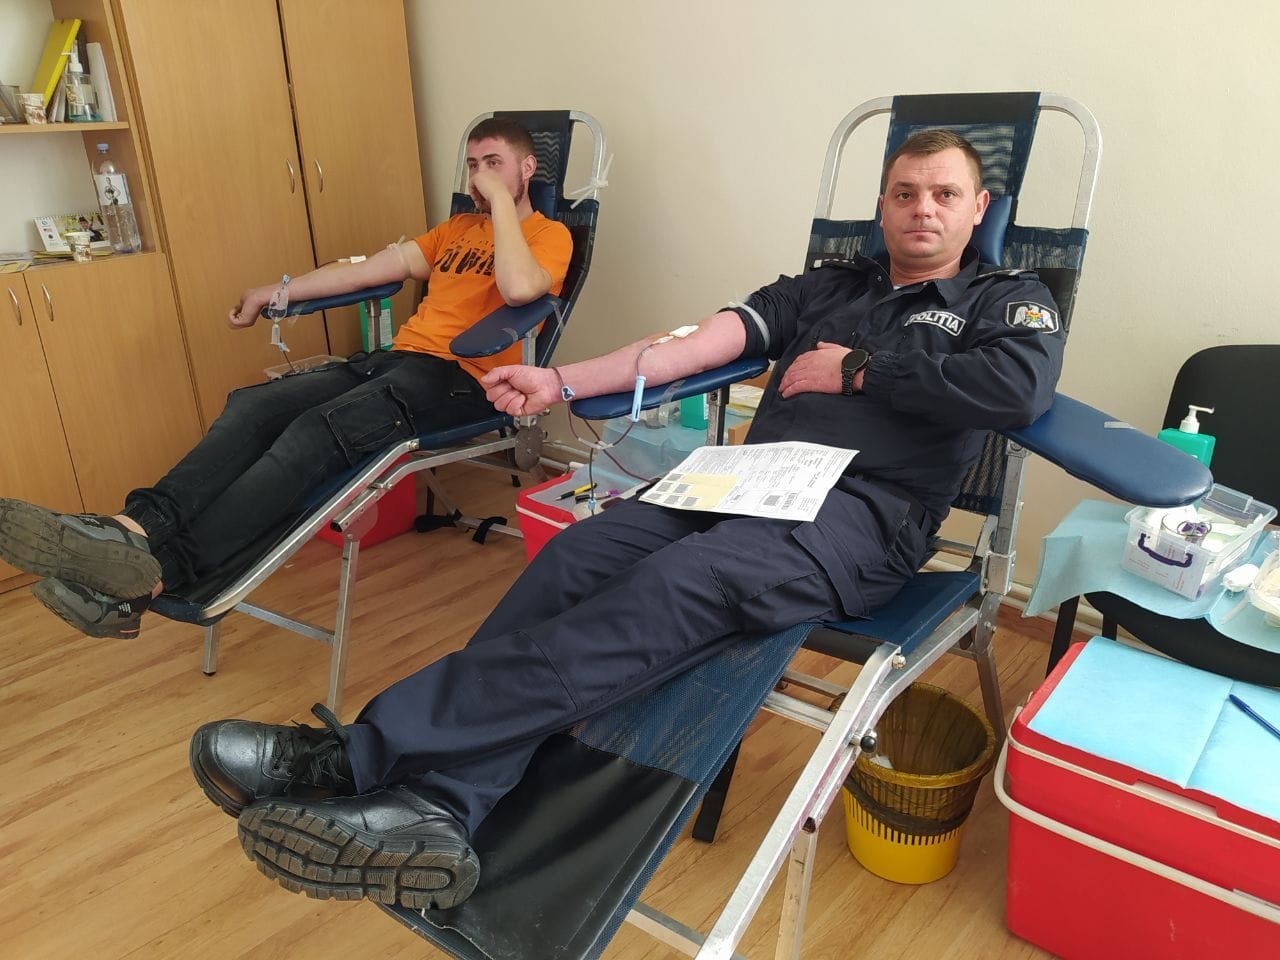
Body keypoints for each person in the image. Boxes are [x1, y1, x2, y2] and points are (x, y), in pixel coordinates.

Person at [195, 128, 1064, 912]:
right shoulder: (828, 287)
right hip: (744, 482)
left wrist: (862, 372)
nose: (923, 209)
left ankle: (359, 755)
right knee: (578, 559)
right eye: (906, 192)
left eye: (944, 194)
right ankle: (441, 805)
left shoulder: (1006, 298)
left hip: (860, 516)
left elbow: (1018, 390)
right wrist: (559, 381)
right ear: (881, 205)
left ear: (978, 208)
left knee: (668, 588)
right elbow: (691, 347)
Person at [0, 117, 572, 639]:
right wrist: (274, 293)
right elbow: (366, 272)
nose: (479, 177)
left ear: (527, 168)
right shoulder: (454, 231)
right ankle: (130, 530)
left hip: (466, 379)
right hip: (396, 361)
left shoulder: (549, 236)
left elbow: (520, 290)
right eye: (472, 165)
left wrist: (500, 202)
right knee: (253, 406)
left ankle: (155, 576)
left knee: (316, 432)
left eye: (493, 163)